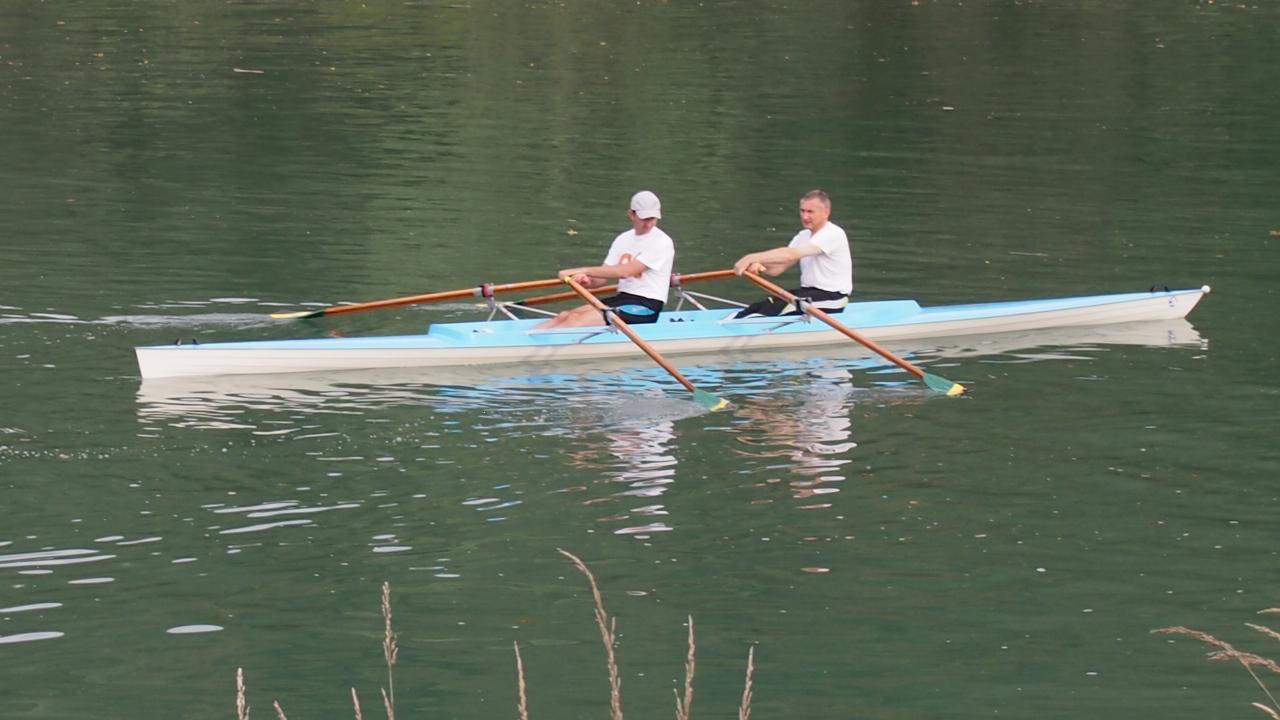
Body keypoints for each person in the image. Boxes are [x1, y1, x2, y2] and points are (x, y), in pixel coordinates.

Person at [533, 190, 676, 330]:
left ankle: (531, 349)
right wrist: (585, 281)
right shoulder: (623, 239)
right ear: (631, 214)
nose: (649, 224)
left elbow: (625, 272)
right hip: (622, 299)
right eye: (645, 219)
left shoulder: (662, 242)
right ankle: (522, 340)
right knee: (565, 316)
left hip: (646, 307)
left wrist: (583, 270)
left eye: (653, 218)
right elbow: (599, 281)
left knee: (575, 320)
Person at [732, 189, 852, 318]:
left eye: (810, 212)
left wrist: (750, 258)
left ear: (826, 213)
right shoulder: (803, 235)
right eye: (802, 211)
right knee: (758, 307)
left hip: (833, 298)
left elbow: (791, 254)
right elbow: (778, 268)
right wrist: (759, 266)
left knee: (770, 312)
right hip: (808, 293)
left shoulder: (833, 233)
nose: (805, 217)